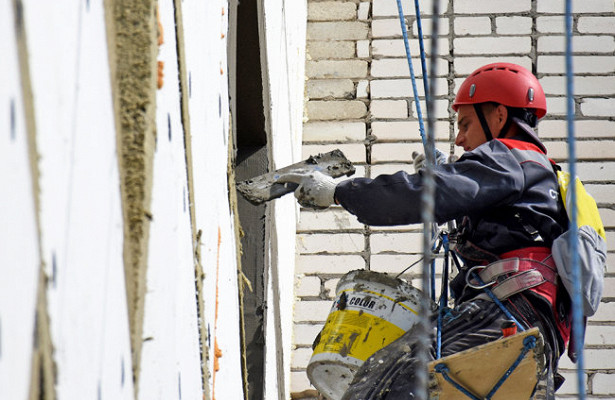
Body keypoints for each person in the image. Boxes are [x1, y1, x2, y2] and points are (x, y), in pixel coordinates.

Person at [279, 63, 573, 399]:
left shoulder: (511, 159)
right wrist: (451, 176)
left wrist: (339, 192)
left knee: (395, 372)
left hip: (504, 315)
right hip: (529, 330)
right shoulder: (538, 175)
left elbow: (419, 196)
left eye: (465, 124)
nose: (460, 139)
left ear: (499, 116)